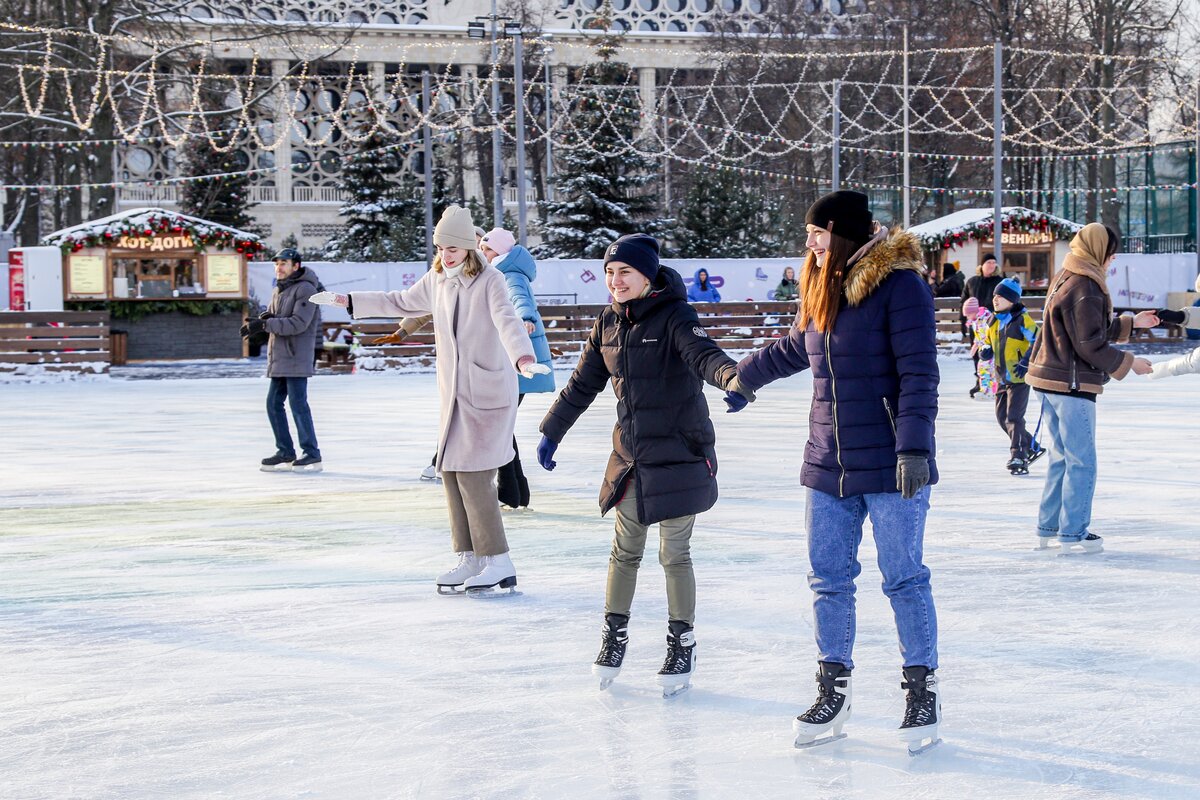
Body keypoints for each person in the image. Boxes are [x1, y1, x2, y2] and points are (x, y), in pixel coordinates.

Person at [730, 190, 942, 754]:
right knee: (828, 580)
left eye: (818, 235)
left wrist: (914, 449)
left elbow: (920, 372)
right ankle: (834, 690)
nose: (811, 245)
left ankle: (921, 691)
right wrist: (744, 377)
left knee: (903, 578)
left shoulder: (901, 287)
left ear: (843, 233)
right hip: (828, 461)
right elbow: (797, 347)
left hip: (893, 461)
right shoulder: (822, 287)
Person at [536, 233, 753, 698]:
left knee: (673, 554)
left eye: (625, 273)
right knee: (625, 550)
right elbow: (581, 384)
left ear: (647, 274)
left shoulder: (675, 315)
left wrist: (733, 377)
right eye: (610, 273)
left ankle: (681, 640)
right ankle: (614, 635)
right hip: (632, 456)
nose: (615, 281)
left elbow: (704, 355)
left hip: (679, 454)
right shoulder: (607, 325)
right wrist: (552, 429)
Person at [310, 206, 550, 594]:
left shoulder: (490, 280)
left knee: (474, 478)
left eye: (453, 248)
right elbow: (400, 301)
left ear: (470, 247)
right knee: (451, 473)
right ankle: (470, 557)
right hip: (454, 394)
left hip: (487, 392)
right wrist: (346, 300)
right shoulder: (438, 278)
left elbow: (507, 319)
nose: (446, 255)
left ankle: (498, 561)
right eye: (440, 247)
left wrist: (524, 359)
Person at [1025, 223, 1156, 555]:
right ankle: (1073, 532)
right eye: (1110, 253)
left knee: (1061, 458)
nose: (1111, 260)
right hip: (1070, 386)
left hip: (1050, 381)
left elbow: (1084, 327)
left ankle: (1049, 527)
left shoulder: (1068, 273)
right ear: (1100, 251)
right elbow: (1090, 344)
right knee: (1082, 462)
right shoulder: (1087, 285)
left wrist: (1131, 323)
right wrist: (1129, 363)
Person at [480, 227, 557, 509]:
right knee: (502, 428)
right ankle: (515, 494)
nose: (483, 254)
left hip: (515, 362)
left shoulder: (507, 274)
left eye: (487, 250)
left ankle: (510, 494)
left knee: (499, 428)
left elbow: (519, 299)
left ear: (499, 252)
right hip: (511, 361)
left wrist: (524, 319)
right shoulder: (503, 271)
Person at [242, 247, 324, 473]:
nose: (279, 267)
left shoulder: (306, 289)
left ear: (296, 266)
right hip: (280, 356)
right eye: (276, 264)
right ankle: (285, 451)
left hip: (296, 356)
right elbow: (274, 317)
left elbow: (299, 323)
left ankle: (312, 453)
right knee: (273, 404)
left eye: (284, 263)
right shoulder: (280, 289)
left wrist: (267, 324)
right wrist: (259, 324)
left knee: (298, 405)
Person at [980, 278, 1045, 475]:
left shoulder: (1021, 319)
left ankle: (1018, 455)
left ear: (1012, 300)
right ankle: (1031, 446)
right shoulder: (993, 321)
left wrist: (1026, 362)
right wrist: (986, 350)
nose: (996, 300)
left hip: (1018, 377)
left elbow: (1038, 340)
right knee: (1002, 418)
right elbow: (989, 343)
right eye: (994, 296)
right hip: (1001, 377)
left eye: (1001, 297)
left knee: (1014, 417)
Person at [965, 297, 998, 399]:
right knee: (982, 369)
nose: (967, 317)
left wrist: (990, 346)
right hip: (983, 350)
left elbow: (988, 334)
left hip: (990, 349)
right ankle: (985, 390)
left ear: (973, 311)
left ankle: (992, 392)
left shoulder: (985, 319)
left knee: (990, 370)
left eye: (968, 314)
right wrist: (975, 346)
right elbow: (978, 335)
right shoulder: (975, 321)